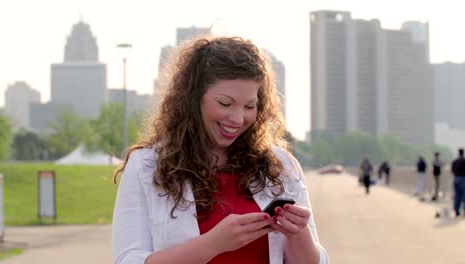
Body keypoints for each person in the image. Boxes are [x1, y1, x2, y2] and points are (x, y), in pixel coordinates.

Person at [111, 36, 329, 264]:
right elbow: (128, 259)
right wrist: (214, 243)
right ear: (194, 99)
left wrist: (298, 233)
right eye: (225, 103)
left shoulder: (281, 165)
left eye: (249, 106)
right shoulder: (147, 166)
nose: (237, 118)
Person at [451, 148, 465, 217]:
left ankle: (456, 210)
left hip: (456, 178)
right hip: (463, 178)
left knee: (457, 195)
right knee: (463, 195)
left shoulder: (455, 161)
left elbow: (452, 170)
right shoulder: (464, 161)